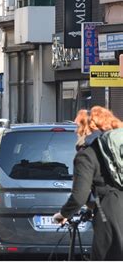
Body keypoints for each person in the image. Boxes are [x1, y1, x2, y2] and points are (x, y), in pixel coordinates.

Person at [53, 106, 123, 260]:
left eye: (79, 127)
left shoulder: (86, 154)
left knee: (107, 256)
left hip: (109, 211)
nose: (77, 131)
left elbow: (79, 195)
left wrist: (63, 214)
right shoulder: (118, 149)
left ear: (87, 127)